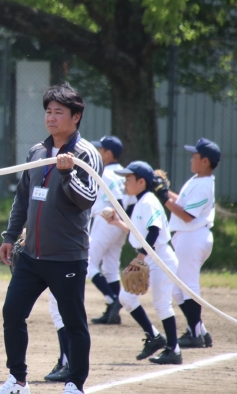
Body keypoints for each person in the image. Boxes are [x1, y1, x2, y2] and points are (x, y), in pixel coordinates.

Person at [0, 83, 103, 394]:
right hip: (31, 256)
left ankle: (75, 384)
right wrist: (11, 235)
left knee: (73, 322)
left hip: (67, 257)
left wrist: (67, 173)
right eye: (48, 112)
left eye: (58, 112)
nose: (51, 118)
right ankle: (18, 380)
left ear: (76, 116)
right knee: (12, 313)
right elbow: (22, 198)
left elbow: (87, 199)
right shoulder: (37, 152)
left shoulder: (86, 154)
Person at [106, 161, 181, 365]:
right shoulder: (141, 202)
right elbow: (138, 233)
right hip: (151, 256)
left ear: (141, 182)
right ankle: (154, 337)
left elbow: (154, 231)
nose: (125, 183)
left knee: (162, 304)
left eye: (129, 179)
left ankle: (174, 350)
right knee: (126, 298)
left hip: (161, 257)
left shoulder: (148, 201)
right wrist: (117, 222)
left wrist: (140, 258)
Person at [161, 138, 220, 348]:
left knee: (188, 287)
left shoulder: (204, 185)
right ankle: (200, 331)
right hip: (188, 236)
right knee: (178, 289)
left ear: (205, 161)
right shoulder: (198, 180)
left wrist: (163, 198)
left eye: (195, 156)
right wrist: (164, 191)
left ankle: (195, 334)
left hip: (193, 236)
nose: (191, 159)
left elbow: (187, 216)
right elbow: (183, 203)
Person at [88, 136, 132, 325]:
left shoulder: (106, 173)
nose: (98, 152)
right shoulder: (123, 173)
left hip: (107, 220)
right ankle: (112, 313)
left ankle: (113, 300)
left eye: (100, 149)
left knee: (88, 263)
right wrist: (125, 223)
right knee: (110, 268)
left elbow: (118, 199)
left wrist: (119, 219)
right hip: (119, 224)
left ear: (108, 153)